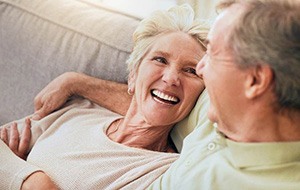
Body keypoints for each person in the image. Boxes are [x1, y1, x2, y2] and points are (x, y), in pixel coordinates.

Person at [25, 0, 300, 189]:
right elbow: (153, 105)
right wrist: (77, 83)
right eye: (159, 60)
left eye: (213, 53)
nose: (203, 69)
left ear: (255, 80)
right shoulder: (221, 112)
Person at [0, 4, 208, 189]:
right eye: (160, 59)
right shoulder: (80, 110)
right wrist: (22, 175)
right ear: (133, 75)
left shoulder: (164, 173)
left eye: (191, 71)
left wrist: (31, 181)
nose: (172, 78)